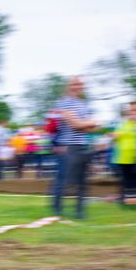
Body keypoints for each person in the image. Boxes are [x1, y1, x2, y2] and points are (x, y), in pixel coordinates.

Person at [52, 77, 96, 219]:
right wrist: (89, 123)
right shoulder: (64, 102)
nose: (78, 86)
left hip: (82, 145)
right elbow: (74, 124)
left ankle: (80, 212)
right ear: (69, 86)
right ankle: (57, 211)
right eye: (75, 84)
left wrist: (86, 124)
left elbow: (91, 129)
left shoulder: (83, 104)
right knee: (64, 180)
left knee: (82, 181)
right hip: (67, 146)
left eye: (80, 84)